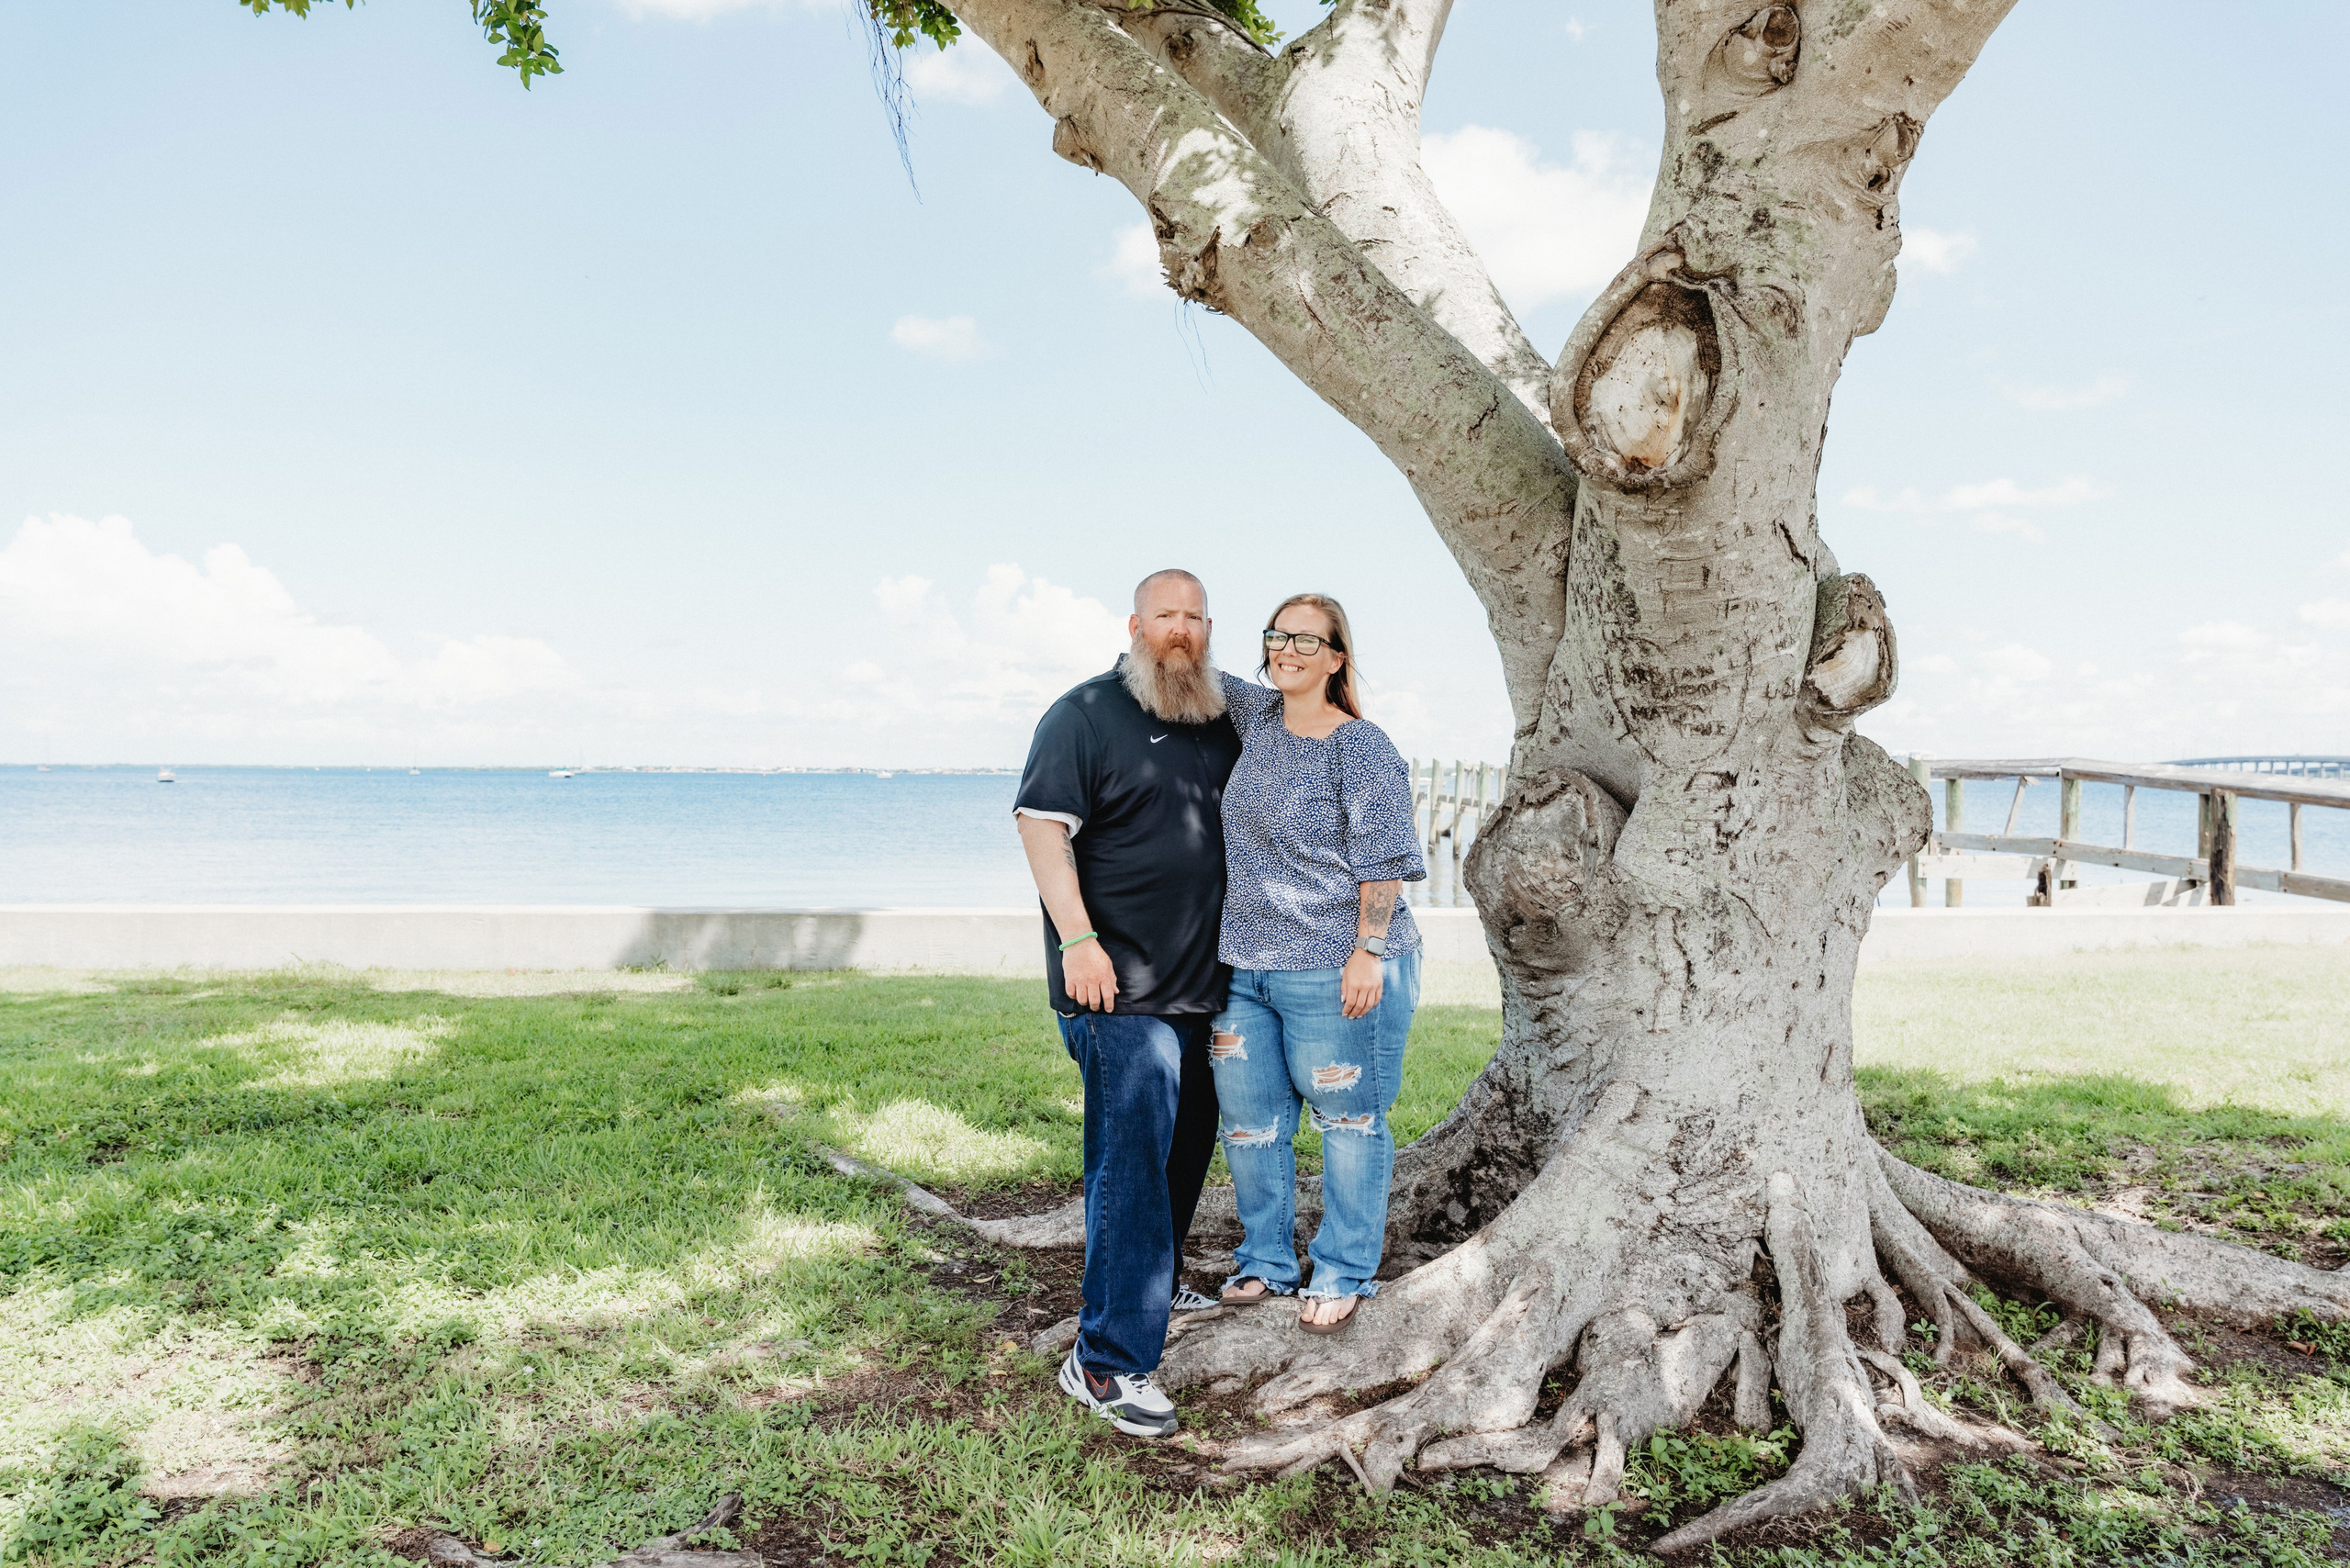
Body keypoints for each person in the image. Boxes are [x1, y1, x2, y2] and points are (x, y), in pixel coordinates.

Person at [1013, 567, 1239, 1439]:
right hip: (1114, 986)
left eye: (1194, 617)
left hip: (1204, 986)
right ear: (1135, 626)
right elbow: (1042, 827)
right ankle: (1105, 1360)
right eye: (1165, 616)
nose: (1181, 629)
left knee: (1186, 1146)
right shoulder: (1084, 714)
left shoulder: (1220, 717)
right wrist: (1077, 939)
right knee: (1133, 1162)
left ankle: (1155, 1281)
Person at [1208, 592, 1426, 1334]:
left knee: (1348, 1120)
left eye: (1307, 640)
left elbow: (1386, 859)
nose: (1287, 650)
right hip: (1243, 966)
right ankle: (1265, 1261)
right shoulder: (1257, 717)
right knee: (1249, 1125)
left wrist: (1368, 952)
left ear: (1336, 658)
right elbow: (1174, 667)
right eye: (1278, 636)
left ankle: (1343, 1269)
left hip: (1336, 964)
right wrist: (1164, 624)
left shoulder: (1360, 746)